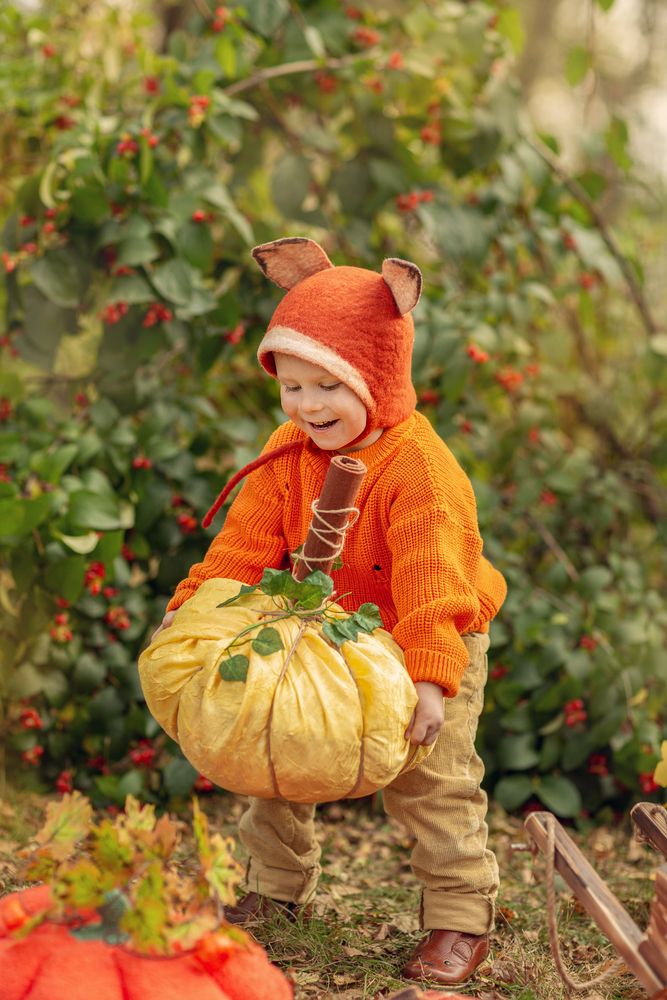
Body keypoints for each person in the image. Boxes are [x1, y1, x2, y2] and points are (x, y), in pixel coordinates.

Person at [152, 237, 507, 987]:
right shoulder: (288, 452)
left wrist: (430, 681)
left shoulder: (419, 470)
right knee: (274, 747)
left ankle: (459, 914)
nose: (308, 405)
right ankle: (274, 888)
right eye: (292, 385)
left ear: (378, 376)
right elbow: (243, 547)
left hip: (428, 635)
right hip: (321, 625)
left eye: (329, 385)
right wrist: (192, 607)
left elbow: (433, 582)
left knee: (431, 779)